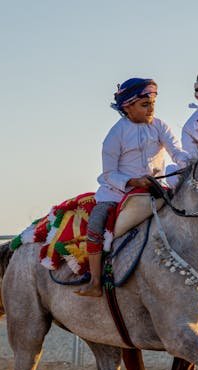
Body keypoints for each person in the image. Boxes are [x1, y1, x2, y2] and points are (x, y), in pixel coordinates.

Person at [75, 78, 191, 297]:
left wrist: (193, 161)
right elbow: (109, 174)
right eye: (144, 105)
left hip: (156, 190)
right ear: (127, 107)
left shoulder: (159, 126)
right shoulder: (115, 134)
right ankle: (95, 282)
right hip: (118, 194)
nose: (150, 109)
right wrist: (133, 182)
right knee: (97, 222)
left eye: (152, 104)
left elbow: (177, 152)